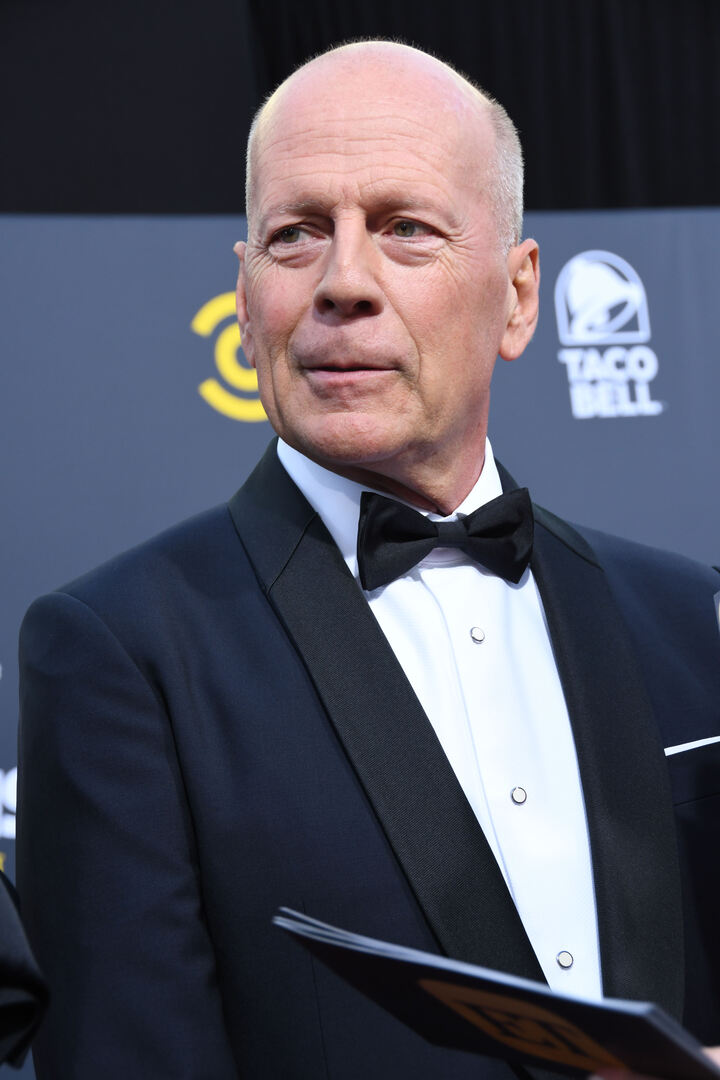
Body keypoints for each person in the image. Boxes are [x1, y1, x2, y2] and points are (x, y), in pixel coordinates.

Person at [16, 40, 720, 1080]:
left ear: (519, 297)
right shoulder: (122, 655)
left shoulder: (691, 620)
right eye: (296, 234)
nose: (344, 281)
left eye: (406, 229)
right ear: (245, 295)